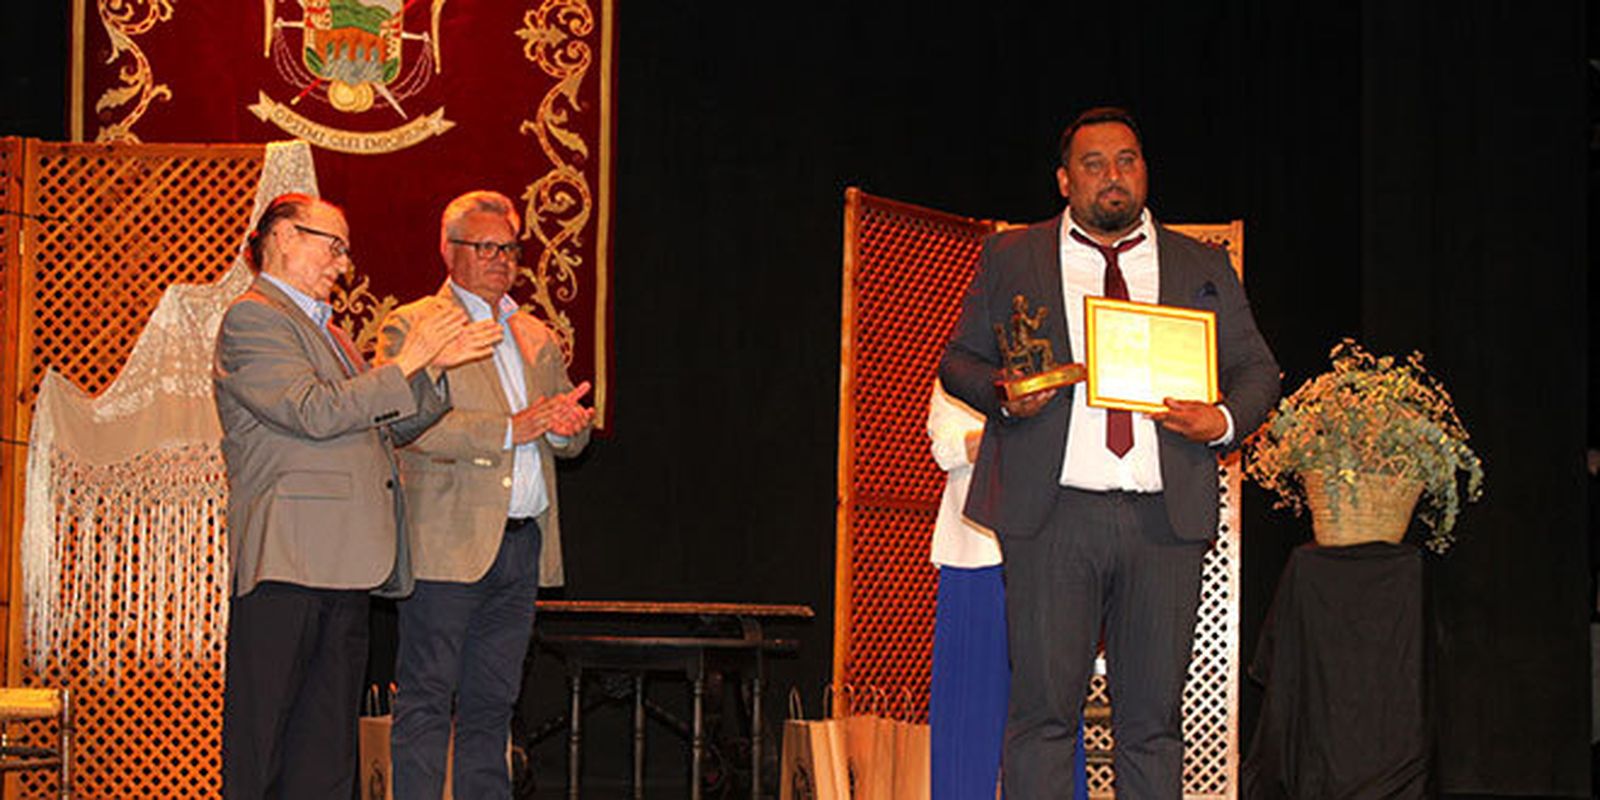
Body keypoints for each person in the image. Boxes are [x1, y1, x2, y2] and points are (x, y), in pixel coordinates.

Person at [938, 107, 1280, 798]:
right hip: (1053, 515)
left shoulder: (1201, 264)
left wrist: (1219, 419)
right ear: (1065, 180)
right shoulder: (1013, 256)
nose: (1113, 176)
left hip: (1165, 521)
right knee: (1042, 718)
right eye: (1094, 164)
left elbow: (1260, 373)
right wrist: (1005, 393)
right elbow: (958, 361)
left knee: (1153, 724)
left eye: (1127, 160)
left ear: (1145, 169)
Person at [214, 193, 500, 800]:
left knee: (324, 755)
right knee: (262, 744)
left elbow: (388, 426)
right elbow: (312, 412)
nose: (343, 263)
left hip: (347, 564)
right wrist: (408, 360)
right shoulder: (254, 317)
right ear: (284, 237)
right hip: (288, 561)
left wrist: (431, 370)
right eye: (333, 245)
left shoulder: (335, 337)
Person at [378, 189, 593, 800]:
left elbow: (560, 443)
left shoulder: (533, 334)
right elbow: (402, 426)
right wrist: (508, 429)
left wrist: (565, 430)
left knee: (492, 706)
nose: (501, 259)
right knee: (425, 699)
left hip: (521, 545)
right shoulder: (414, 325)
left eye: (510, 248)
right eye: (485, 247)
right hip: (447, 545)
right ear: (449, 251)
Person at [926, 379, 1088, 799]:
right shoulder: (960, 373)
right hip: (974, 557)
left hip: (1050, 553)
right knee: (967, 714)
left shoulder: (1060, 375)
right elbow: (946, 448)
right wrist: (1020, 424)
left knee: (1051, 703)